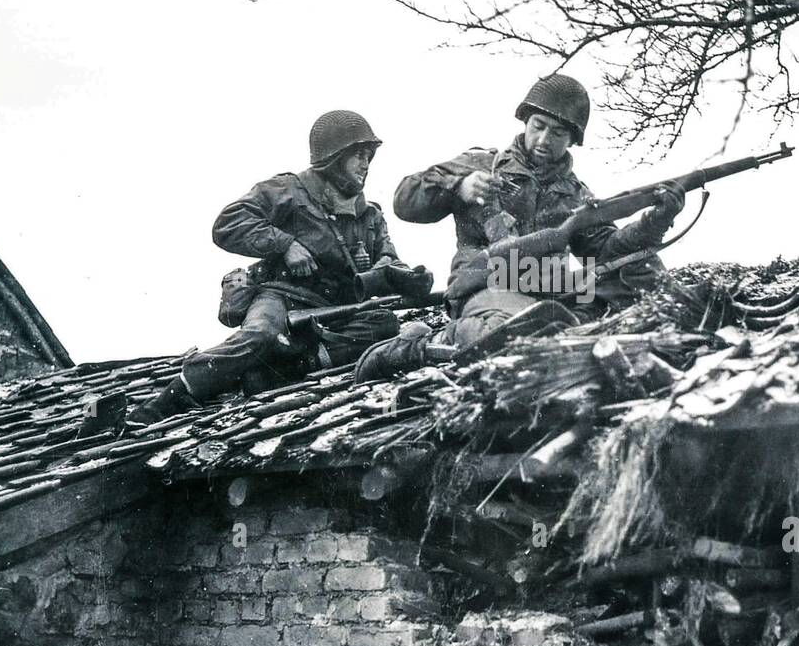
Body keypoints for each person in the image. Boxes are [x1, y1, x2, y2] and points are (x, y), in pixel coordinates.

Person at [353, 74, 683, 382]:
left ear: (572, 140)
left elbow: (606, 250)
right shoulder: (483, 165)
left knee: (641, 283)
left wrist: (655, 221)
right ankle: (419, 345)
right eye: (538, 126)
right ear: (525, 121)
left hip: (551, 294)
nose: (544, 139)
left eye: (558, 133)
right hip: (486, 286)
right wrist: (458, 186)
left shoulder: (576, 194)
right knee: (513, 329)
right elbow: (404, 201)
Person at [127, 110, 431, 425]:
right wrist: (285, 244)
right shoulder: (288, 190)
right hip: (283, 296)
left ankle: (287, 369)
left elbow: (390, 258)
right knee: (260, 334)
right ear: (333, 157)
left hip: (338, 308)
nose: (365, 165)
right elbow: (228, 223)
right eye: (357, 155)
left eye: (369, 156)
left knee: (383, 324)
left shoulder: (370, 215)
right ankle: (167, 400)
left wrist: (395, 271)